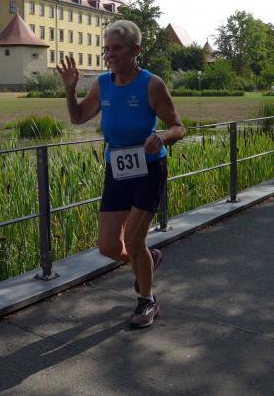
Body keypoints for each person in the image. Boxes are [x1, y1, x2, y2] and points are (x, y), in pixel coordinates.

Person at [56, 19, 185, 329]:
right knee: (109, 247)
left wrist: (161, 137)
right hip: (117, 168)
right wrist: (70, 90)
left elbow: (178, 127)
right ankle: (147, 261)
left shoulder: (152, 84)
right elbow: (78, 117)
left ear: (135, 50)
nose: (109, 55)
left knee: (134, 238)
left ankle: (147, 301)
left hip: (149, 168)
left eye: (117, 48)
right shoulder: (103, 83)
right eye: (107, 49)